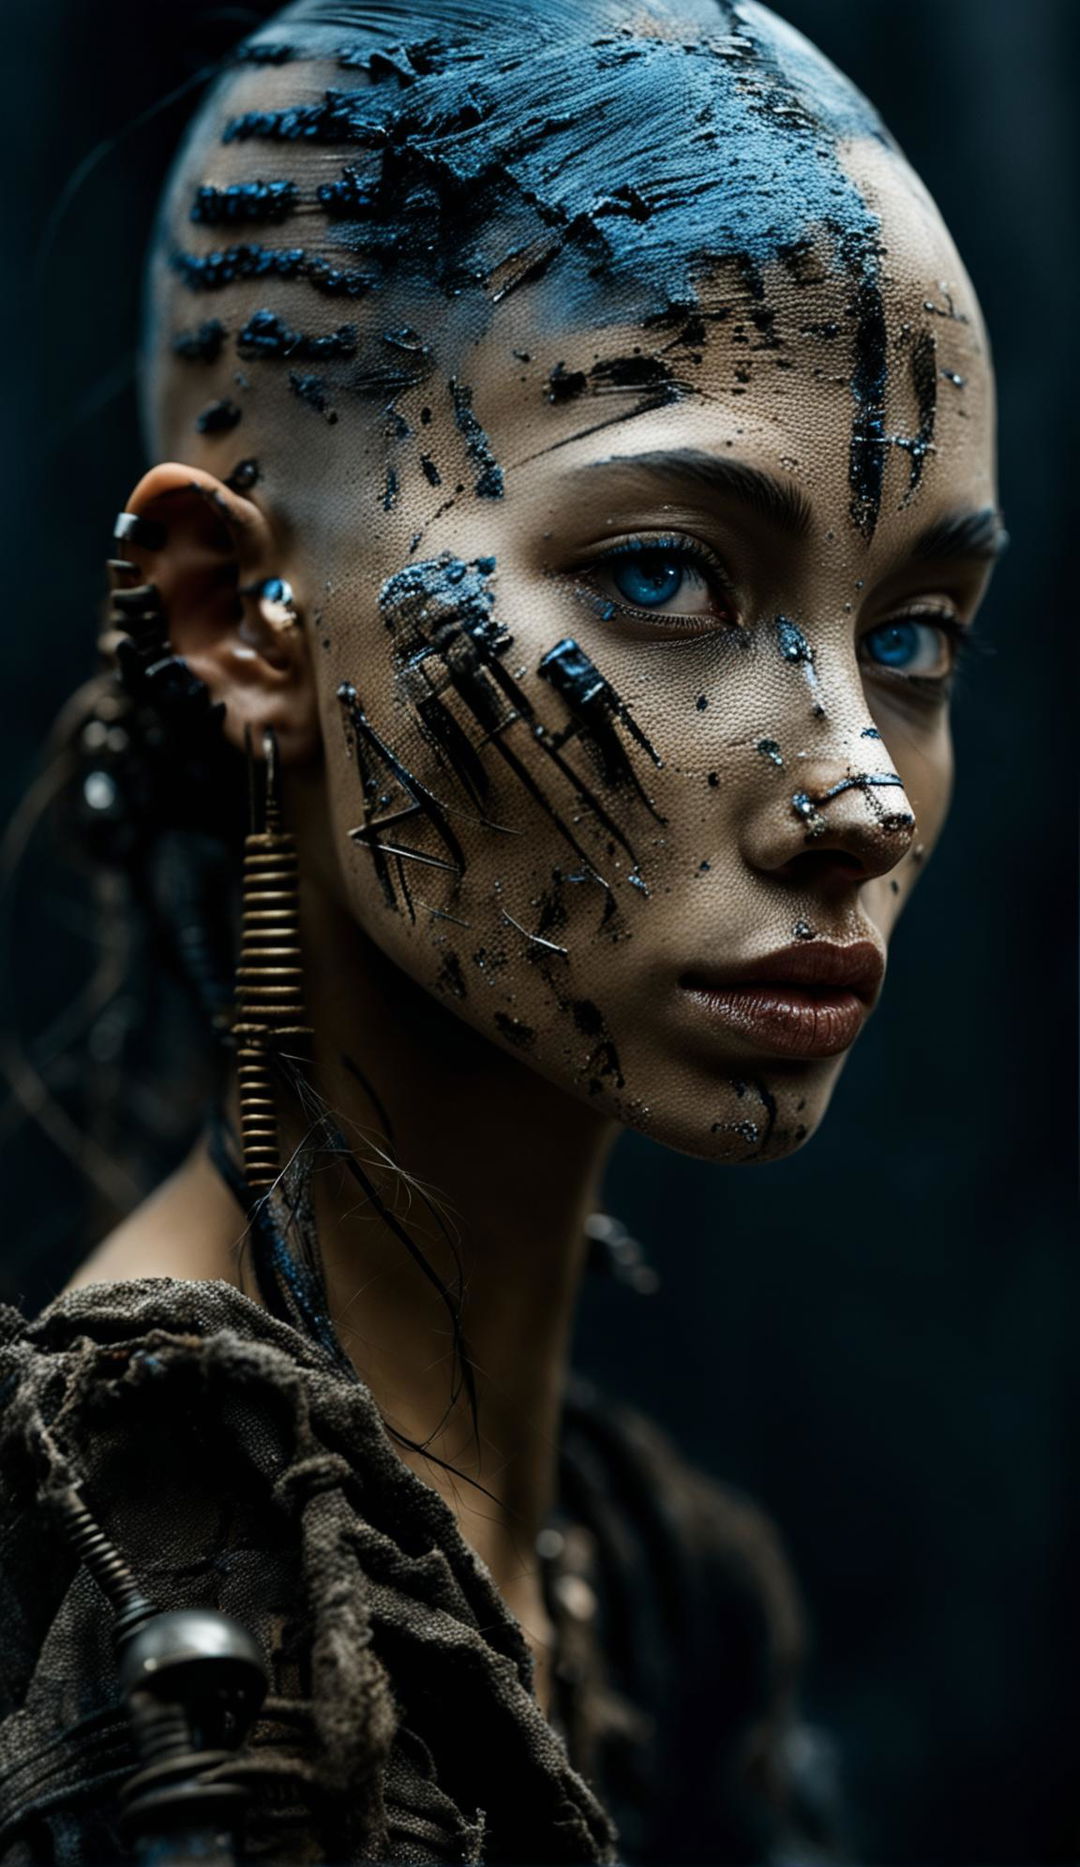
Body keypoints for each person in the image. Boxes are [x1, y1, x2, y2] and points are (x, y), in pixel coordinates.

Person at [0, 1, 1003, 1860]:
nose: (864, 787)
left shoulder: (639, 1572)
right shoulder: (158, 1643)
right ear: (239, 617)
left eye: (917, 631)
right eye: (664, 576)